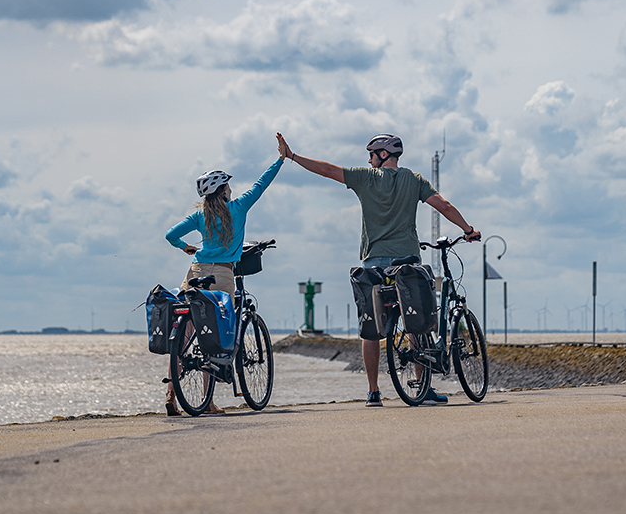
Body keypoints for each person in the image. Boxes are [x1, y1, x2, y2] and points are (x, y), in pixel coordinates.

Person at [275, 132, 481, 407]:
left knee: (370, 328)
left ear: (382, 155)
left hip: (373, 264)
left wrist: (292, 156)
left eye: (371, 154)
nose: (368, 159)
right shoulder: (414, 179)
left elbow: (327, 170)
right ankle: (422, 387)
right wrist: (467, 230)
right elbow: (443, 205)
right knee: (415, 322)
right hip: (407, 262)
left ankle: (373, 392)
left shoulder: (366, 178)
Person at [164, 141, 286, 415]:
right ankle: (206, 403)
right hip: (222, 274)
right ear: (223, 190)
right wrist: (281, 159)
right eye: (227, 185)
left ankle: (171, 395)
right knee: (216, 336)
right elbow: (261, 184)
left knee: (185, 336)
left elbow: (170, 235)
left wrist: (186, 248)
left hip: (195, 272)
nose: (231, 188)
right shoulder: (239, 207)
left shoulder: (199, 216)